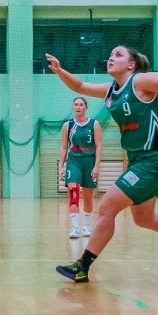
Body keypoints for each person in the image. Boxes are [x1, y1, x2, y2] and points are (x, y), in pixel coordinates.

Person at [46, 45, 158, 283]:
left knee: (107, 207)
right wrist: (60, 71)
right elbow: (79, 86)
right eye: (110, 54)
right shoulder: (111, 90)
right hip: (137, 159)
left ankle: (83, 266)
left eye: (118, 55)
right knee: (144, 218)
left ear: (131, 64)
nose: (111, 57)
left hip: (154, 158)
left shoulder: (140, 81)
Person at [59, 96, 102, 238]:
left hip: (89, 162)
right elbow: (64, 147)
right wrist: (61, 167)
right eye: (76, 104)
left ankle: (86, 225)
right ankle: (75, 228)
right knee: (73, 194)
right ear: (73, 107)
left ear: (86, 107)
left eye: (81, 105)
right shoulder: (68, 126)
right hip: (74, 162)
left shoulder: (94, 124)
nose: (78, 107)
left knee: (88, 199)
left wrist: (97, 166)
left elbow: (99, 145)